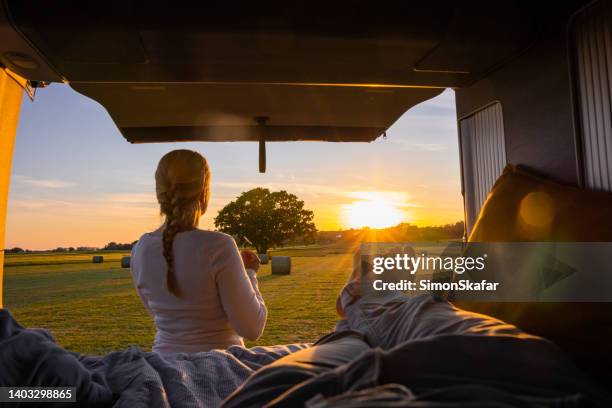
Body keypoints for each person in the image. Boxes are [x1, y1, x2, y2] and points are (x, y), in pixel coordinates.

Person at [130, 149, 267, 355]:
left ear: (160, 193)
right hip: (219, 368)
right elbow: (252, 328)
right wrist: (250, 273)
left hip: (162, 366)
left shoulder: (140, 248)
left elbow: (160, 314)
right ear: (204, 192)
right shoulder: (219, 245)